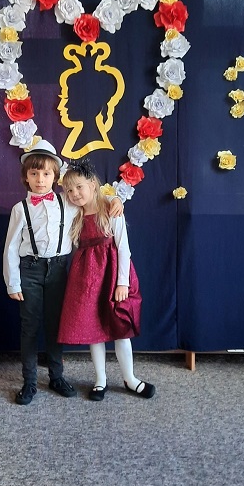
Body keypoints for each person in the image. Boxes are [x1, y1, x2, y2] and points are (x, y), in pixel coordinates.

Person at [3, 140, 122, 405]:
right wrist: (13, 283)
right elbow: (10, 247)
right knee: (30, 326)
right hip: (30, 271)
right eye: (34, 173)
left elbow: (91, 198)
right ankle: (29, 381)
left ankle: (56, 377)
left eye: (46, 174)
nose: (40, 179)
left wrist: (115, 199)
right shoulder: (20, 209)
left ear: (55, 176)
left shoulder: (67, 203)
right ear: (26, 177)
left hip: (58, 270)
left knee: (56, 325)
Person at [57, 159, 155, 401]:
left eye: (79, 187)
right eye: (69, 190)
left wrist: (122, 283)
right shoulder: (74, 213)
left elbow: (123, 248)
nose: (74, 194)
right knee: (94, 329)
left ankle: (130, 378)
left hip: (112, 275)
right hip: (87, 278)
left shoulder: (110, 209)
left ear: (93, 184)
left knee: (121, 329)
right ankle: (100, 380)